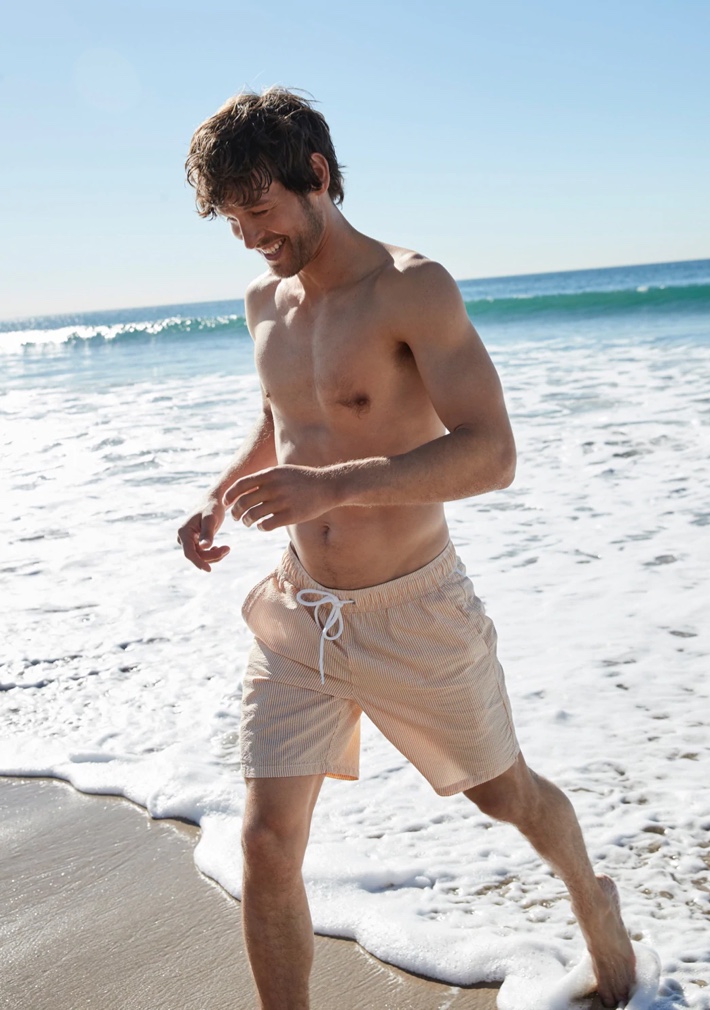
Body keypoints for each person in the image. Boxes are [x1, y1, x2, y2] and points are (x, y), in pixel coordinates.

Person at [178, 87, 636, 1010]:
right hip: (300, 610)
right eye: (230, 218)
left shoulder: (411, 288)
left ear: (316, 176)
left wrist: (333, 485)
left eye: (258, 210)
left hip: (414, 610)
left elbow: (492, 454)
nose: (246, 235)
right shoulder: (261, 300)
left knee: (505, 797)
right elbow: (286, 417)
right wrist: (219, 493)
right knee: (266, 843)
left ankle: (595, 904)